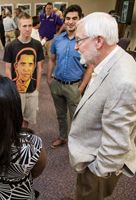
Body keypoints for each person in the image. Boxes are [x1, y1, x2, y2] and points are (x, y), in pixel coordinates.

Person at [66, 12, 136, 200]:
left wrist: (96, 170)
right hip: (91, 155)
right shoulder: (113, 59)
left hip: (97, 168)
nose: (76, 47)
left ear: (98, 41)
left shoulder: (123, 81)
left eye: (80, 40)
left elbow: (116, 143)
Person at [47, 5, 93, 149]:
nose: (70, 21)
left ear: (80, 19)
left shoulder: (85, 41)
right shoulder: (58, 39)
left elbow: (91, 66)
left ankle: (77, 143)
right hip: (57, 84)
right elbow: (52, 60)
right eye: (68, 18)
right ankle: (62, 137)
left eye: (74, 18)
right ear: (64, 20)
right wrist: (49, 80)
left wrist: (81, 87)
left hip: (75, 86)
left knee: (77, 118)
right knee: (60, 115)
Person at [4, 13, 44, 128]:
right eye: (25, 26)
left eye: (30, 25)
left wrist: (37, 88)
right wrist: (11, 90)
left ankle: (23, 140)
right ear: (19, 27)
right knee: (15, 118)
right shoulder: (11, 46)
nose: (28, 29)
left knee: (27, 119)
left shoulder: (37, 45)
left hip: (32, 90)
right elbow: (8, 69)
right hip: (16, 91)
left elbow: (39, 67)